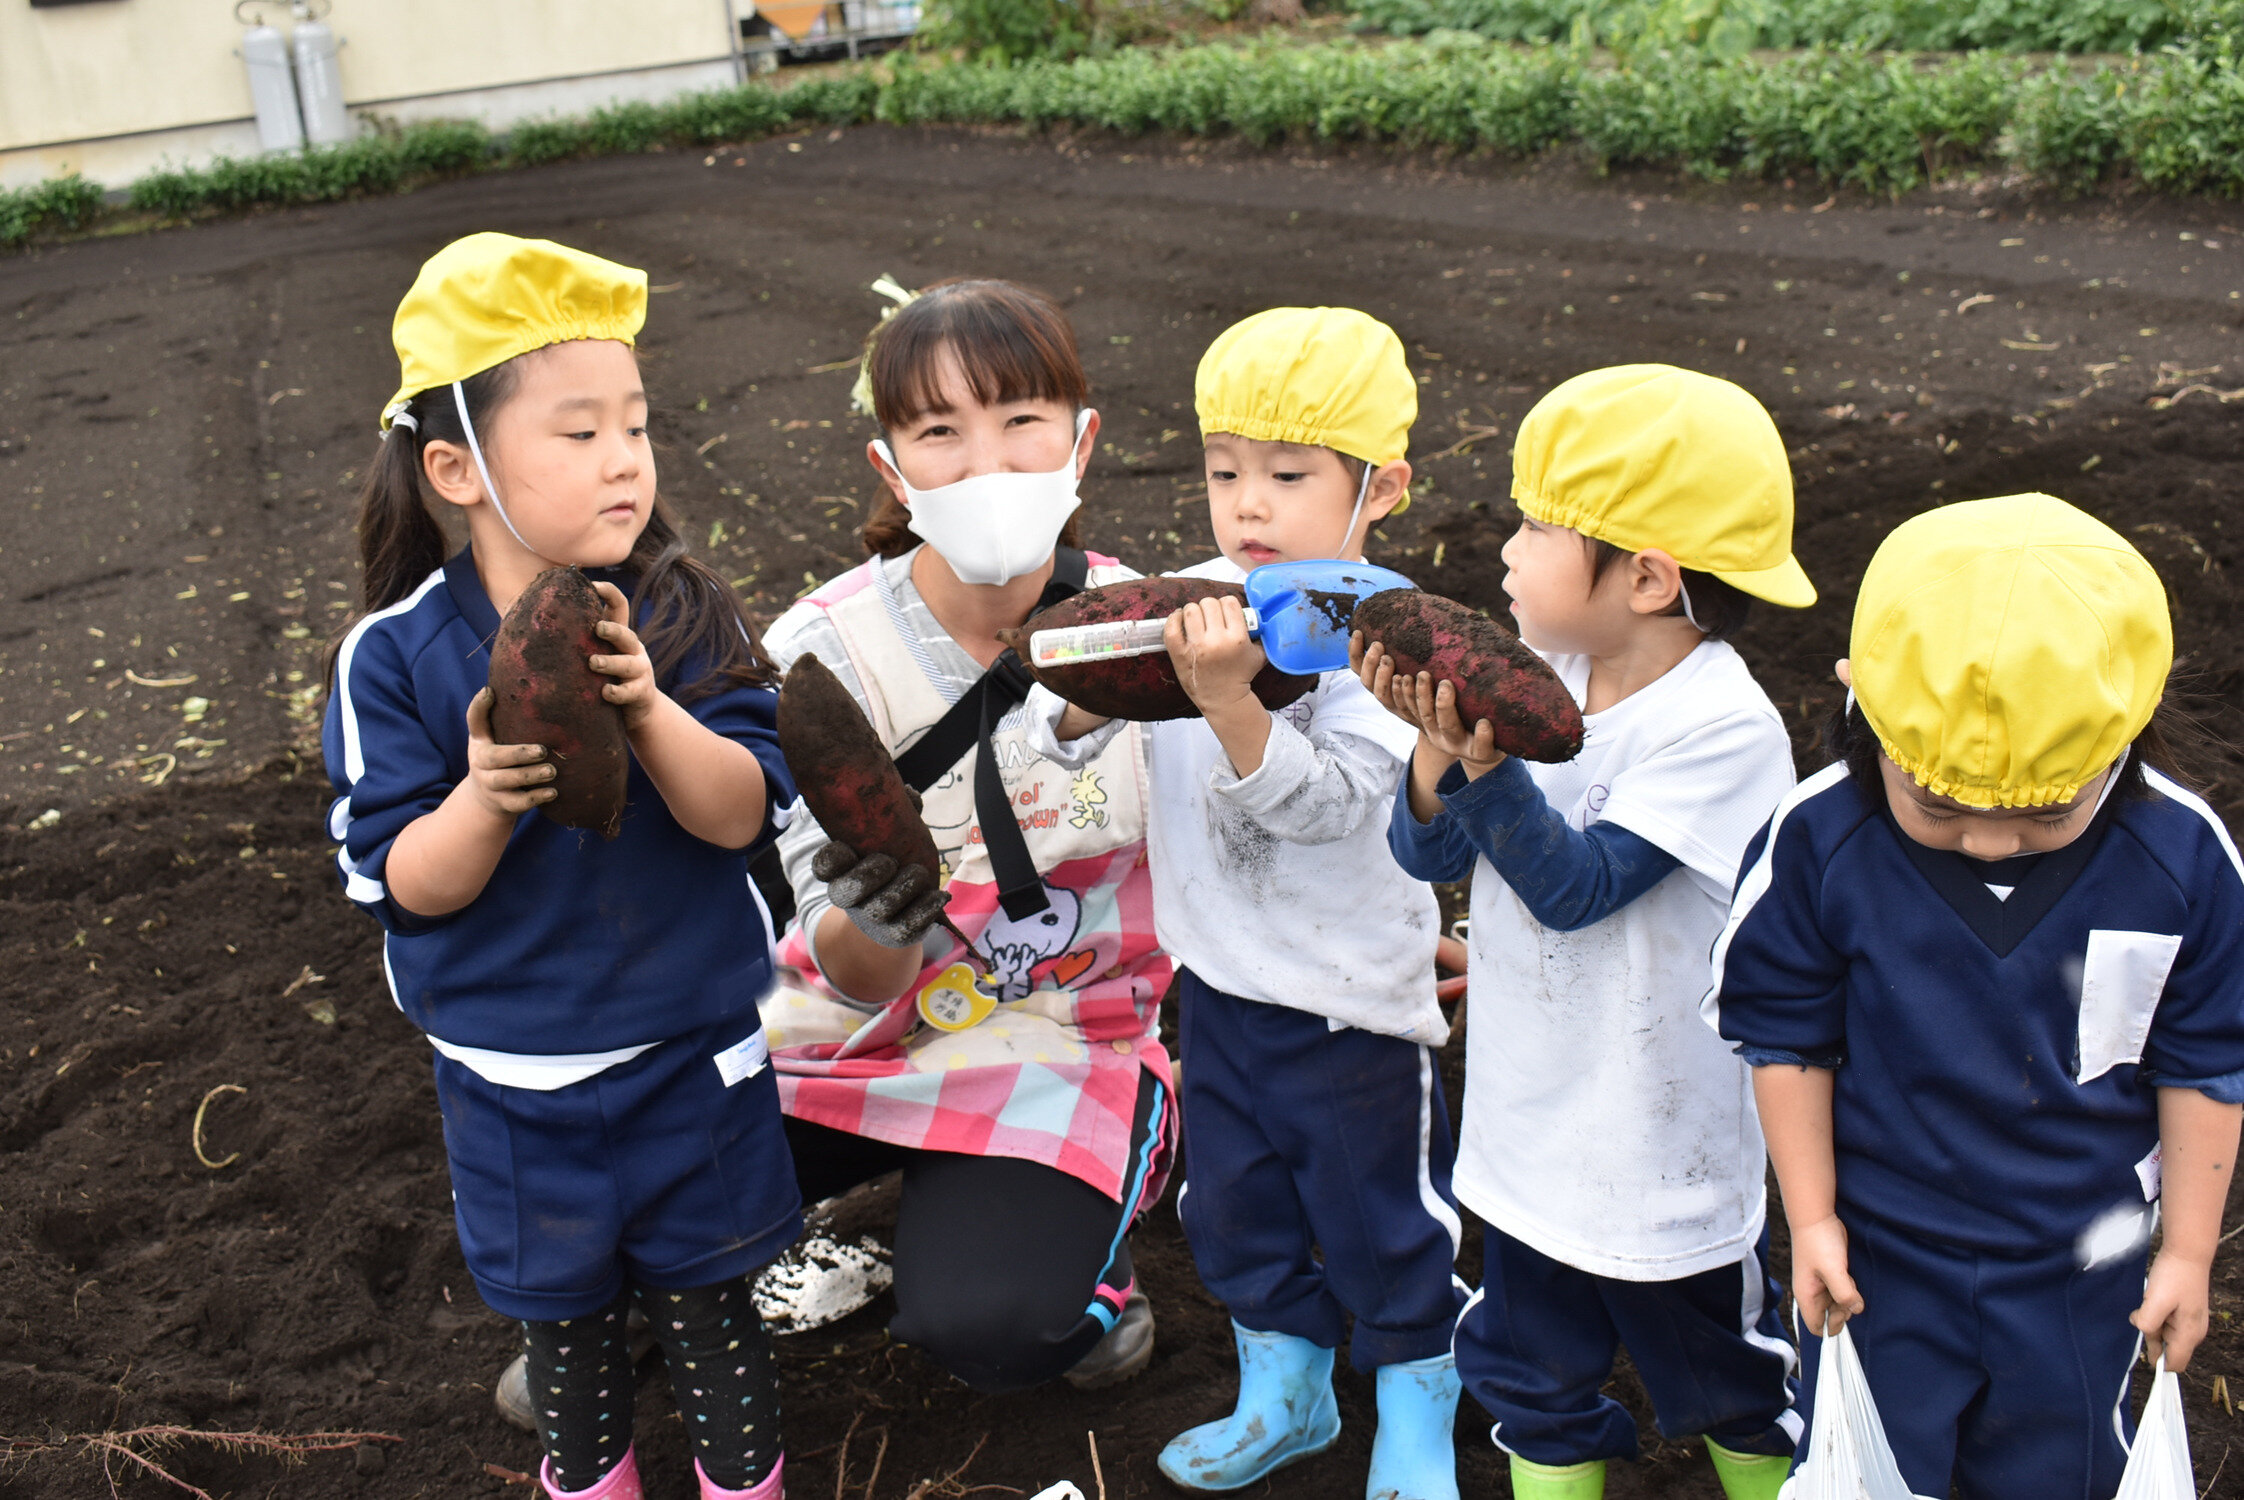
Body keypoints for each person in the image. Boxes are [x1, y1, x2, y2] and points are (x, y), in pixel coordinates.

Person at [323, 233, 799, 1500]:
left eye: (636, 427)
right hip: (512, 1079)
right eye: (579, 433)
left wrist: (649, 713)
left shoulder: (684, 611)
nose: (625, 460)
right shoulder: (394, 658)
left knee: (713, 1320)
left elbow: (742, 812)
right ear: (456, 470)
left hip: (689, 1054)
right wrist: (483, 800)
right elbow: (399, 882)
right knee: (571, 1345)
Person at [1707, 492, 2244, 1498]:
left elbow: (2205, 1059)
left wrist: (2189, 1252)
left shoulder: (2181, 862)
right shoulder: (1820, 842)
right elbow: (1787, 1036)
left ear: (2124, 724)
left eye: (2045, 811)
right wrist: (1812, 1223)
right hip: (1881, 1263)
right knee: (1877, 1470)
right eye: (1941, 804)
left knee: (2059, 1472)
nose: (1993, 840)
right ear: (1860, 698)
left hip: (2087, 1275)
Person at [1027, 306, 1464, 1500]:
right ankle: (1289, 1392)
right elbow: (1051, 737)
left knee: (1381, 1221)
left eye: (1288, 474)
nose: (1249, 505)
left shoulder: (1387, 639)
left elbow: (1336, 808)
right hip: (1214, 991)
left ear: (1381, 488)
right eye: (1225, 471)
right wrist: (1093, 694)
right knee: (1235, 1212)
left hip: (1351, 1009)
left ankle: (1420, 1415)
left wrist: (1227, 705)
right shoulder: (1196, 603)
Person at [1360, 365, 1814, 1500]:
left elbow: (1575, 887)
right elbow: (1428, 858)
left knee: (1725, 1379)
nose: (1506, 550)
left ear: (1649, 577)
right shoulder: (1546, 675)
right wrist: (1431, 747)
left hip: (1665, 1153)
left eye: (1538, 526)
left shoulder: (1722, 726)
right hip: (1529, 1134)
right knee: (1526, 1375)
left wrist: (1487, 762)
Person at [756, 277, 1173, 1394]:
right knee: (644, 1179)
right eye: (941, 432)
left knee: (997, 1332)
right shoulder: (819, 653)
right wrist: (877, 915)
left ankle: (1088, 1239)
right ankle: (661, 1290)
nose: (987, 463)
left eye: (1021, 421)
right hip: (843, 1020)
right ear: (893, 468)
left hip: (1059, 1024)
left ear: (1081, 444)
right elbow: (839, 962)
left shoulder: (1150, 633)